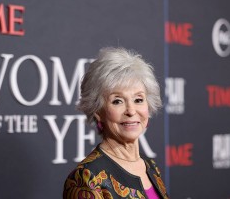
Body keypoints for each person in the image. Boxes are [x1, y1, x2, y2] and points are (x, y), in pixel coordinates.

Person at [63, 47, 169, 199]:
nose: (131, 111)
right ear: (98, 111)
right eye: (117, 101)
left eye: (138, 100)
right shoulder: (86, 177)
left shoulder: (150, 166)